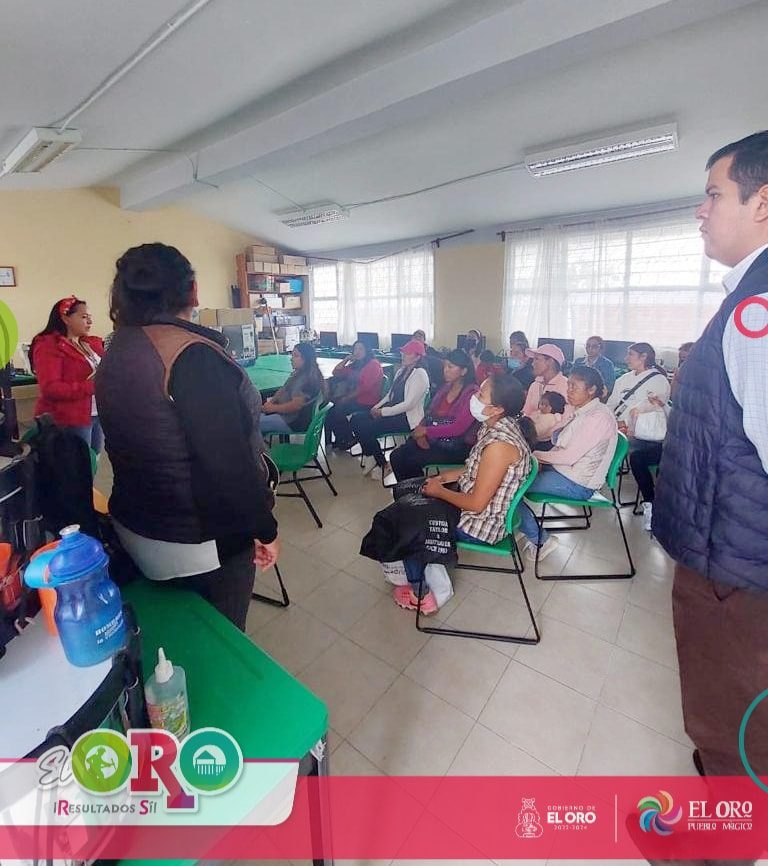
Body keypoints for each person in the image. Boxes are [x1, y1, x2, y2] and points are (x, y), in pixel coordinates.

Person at [653, 131, 768, 808]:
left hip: (734, 572)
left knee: (729, 731)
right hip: (734, 555)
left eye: (714, 193)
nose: (700, 209)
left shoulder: (758, 309)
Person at [96, 243, 279, 631]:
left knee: (175, 639)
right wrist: (265, 530)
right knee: (222, 643)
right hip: (196, 541)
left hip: (134, 525)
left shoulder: (117, 348)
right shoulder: (193, 356)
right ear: (193, 290)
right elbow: (230, 467)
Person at [395, 372, 537, 612]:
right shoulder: (497, 425)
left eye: (481, 394)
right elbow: (474, 468)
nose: (474, 396)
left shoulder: (500, 445)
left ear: (496, 408)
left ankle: (423, 591)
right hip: (476, 506)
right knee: (405, 494)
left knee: (407, 523)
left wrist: (439, 492)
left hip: (480, 524)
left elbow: (475, 504)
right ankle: (429, 564)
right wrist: (443, 477)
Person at [517, 366, 617, 560]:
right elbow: (558, 440)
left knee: (509, 485)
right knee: (511, 476)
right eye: (568, 385)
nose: (569, 391)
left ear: (592, 390)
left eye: (575, 387)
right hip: (564, 472)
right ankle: (524, 523)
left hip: (578, 483)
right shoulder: (581, 411)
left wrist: (533, 455)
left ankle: (540, 539)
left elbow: (568, 457)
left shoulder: (598, 417)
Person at [31, 296, 105, 453]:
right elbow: (51, 388)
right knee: (75, 468)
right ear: (65, 318)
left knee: (92, 463)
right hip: (69, 417)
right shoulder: (48, 346)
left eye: (90, 317)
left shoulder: (89, 343)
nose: (90, 322)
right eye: (84, 317)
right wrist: (93, 385)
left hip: (96, 412)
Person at [389, 349, 477, 481]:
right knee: (396, 456)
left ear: (464, 371)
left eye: (450, 367)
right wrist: (421, 433)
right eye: (444, 366)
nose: (445, 370)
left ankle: (417, 495)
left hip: (457, 445)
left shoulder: (472, 394)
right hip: (436, 438)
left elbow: (458, 428)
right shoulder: (445, 388)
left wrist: (426, 431)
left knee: (412, 461)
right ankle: (407, 494)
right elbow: (429, 412)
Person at [350, 339, 430, 477]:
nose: (403, 355)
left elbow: (408, 404)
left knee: (368, 427)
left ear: (417, 357)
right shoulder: (401, 371)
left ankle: (381, 463)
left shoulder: (420, 374)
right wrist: (376, 407)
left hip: (406, 418)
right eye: (403, 352)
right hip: (392, 411)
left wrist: (383, 412)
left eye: (408, 353)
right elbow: (390, 395)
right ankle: (372, 455)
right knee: (356, 419)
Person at [326, 341, 383, 449]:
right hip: (355, 399)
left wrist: (346, 398)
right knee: (330, 412)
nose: (357, 352)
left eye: (361, 349)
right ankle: (342, 439)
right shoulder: (355, 365)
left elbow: (365, 387)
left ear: (367, 351)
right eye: (355, 349)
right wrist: (346, 359)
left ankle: (348, 438)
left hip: (368, 401)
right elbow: (335, 372)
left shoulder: (373, 364)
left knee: (337, 409)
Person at [260, 342, 327, 435]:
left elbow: (295, 406)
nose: (291, 359)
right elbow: (283, 389)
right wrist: (269, 404)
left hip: (291, 421)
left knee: (250, 424)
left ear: (305, 359)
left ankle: (258, 449)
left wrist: (273, 408)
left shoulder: (304, 379)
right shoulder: (302, 373)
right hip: (288, 417)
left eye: (296, 356)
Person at [606, 342, 670, 430]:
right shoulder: (624, 378)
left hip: (643, 431)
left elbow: (653, 409)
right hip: (616, 426)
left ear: (643, 356)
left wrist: (624, 423)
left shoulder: (659, 381)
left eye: (630, 354)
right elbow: (611, 403)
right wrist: (608, 420)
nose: (626, 359)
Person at [521, 344, 569, 417]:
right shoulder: (535, 385)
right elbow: (526, 412)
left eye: (536, 359)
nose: (532, 364)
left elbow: (566, 418)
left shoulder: (566, 386)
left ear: (550, 361)